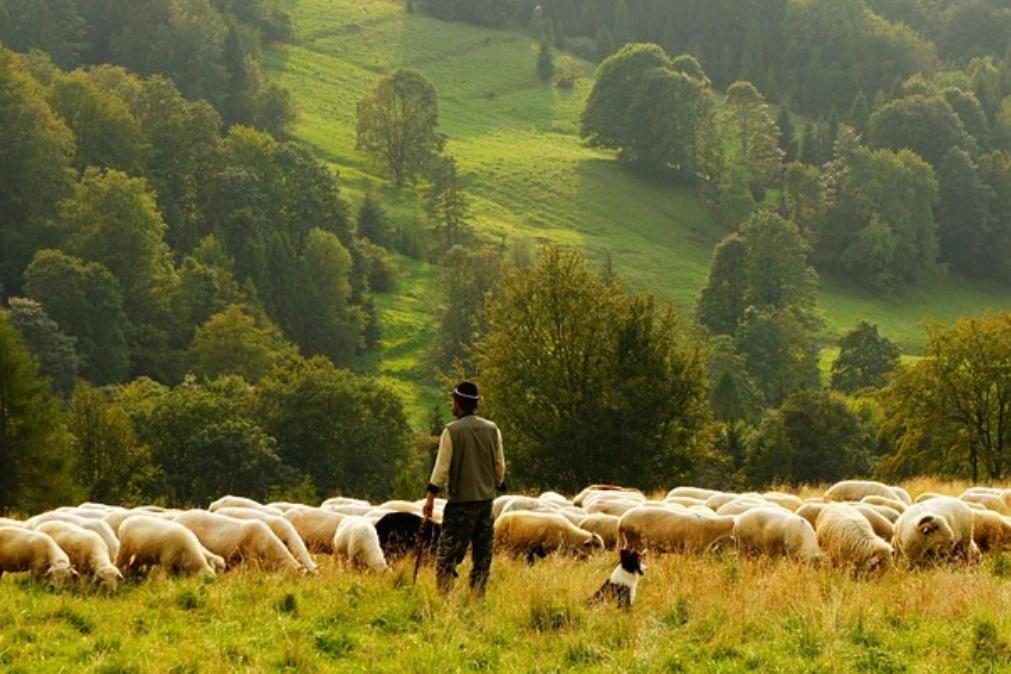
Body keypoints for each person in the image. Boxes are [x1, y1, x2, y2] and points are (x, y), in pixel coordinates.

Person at [422, 380, 506, 595]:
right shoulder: (492, 429)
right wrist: (496, 483)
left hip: (460, 504)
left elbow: (441, 468)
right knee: (482, 555)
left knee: (447, 555)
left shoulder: (451, 431)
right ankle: (477, 596)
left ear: (458, 403)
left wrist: (430, 497)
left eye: (453, 400)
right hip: (486, 503)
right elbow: (499, 465)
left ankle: (445, 598)